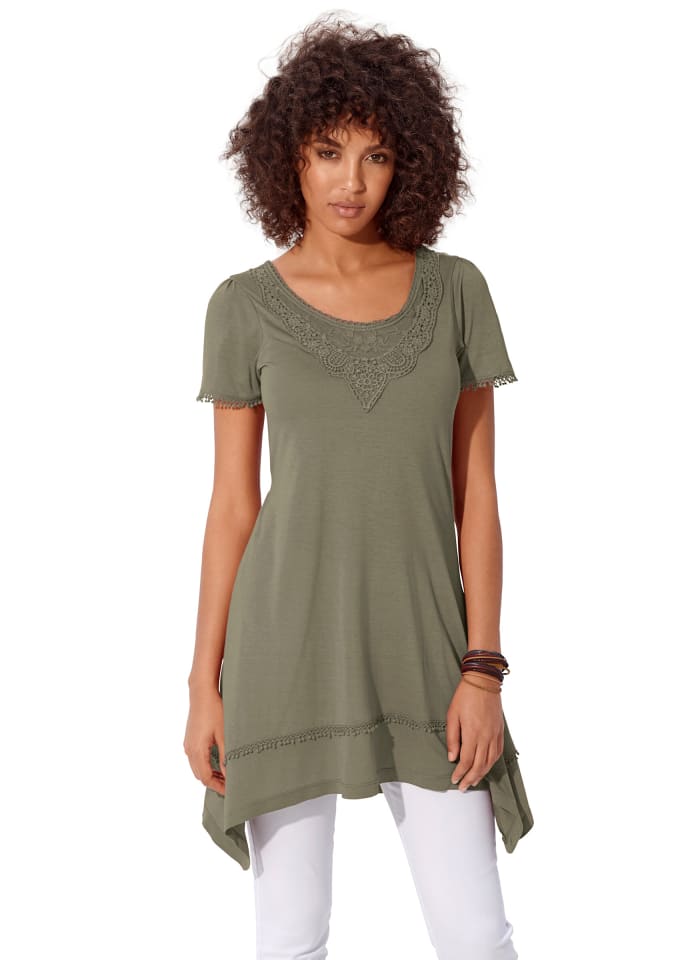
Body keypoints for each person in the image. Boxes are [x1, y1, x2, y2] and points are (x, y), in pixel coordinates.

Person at [184, 13, 534, 960]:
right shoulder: (241, 307)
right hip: (282, 650)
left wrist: (484, 669)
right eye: (328, 151)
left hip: (428, 654)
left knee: (476, 937)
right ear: (288, 158)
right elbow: (232, 507)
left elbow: (477, 496)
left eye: (376, 155)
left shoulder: (456, 292)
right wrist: (204, 684)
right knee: (291, 939)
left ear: (409, 162)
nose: (351, 180)